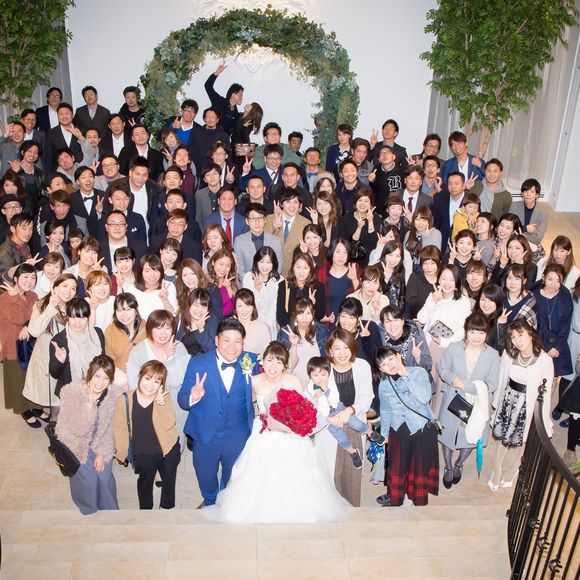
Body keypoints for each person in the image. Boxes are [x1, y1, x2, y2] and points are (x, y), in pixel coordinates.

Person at [203, 340, 351, 523]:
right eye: (270, 360)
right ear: (262, 361)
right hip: (263, 432)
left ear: (285, 365)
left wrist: (296, 425)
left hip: (291, 435)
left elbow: (306, 410)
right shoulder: (254, 381)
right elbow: (239, 404)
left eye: (279, 362)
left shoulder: (293, 381)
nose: (273, 366)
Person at [177, 318, 260, 507]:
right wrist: (193, 396)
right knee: (205, 474)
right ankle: (210, 500)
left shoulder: (250, 360)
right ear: (216, 340)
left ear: (243, 343)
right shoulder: (198, 363)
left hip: (238, 433)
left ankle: (225, 501)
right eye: (226, 340)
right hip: (206, 433)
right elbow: (182, 399)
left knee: (233, 476)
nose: (232, 347)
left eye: (237, 341)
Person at [489, 320, 554, 490]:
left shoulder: (544, 360)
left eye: (520, 335)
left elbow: (546, 393)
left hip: (529, 404)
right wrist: (496, 403)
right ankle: (497, 469)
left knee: (525, 440)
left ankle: (514, 469)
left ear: (530, 334)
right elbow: (502, 380)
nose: (517, 340)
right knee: (503, 436)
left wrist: (543, 418)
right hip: (509, 400)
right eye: (513, 337)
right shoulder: (509, 353)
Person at [438, 313, 500, 489]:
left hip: (477, 403)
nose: (476, 337)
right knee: (448, 435)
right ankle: (448, 466)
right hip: (453, 398)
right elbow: (443, 369)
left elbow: (492, 384)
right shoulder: (453, 348)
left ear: (486, 334)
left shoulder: (493, 355)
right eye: (473, 331)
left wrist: (465, 385)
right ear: (466, 331)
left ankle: (459, 463)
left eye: (481, 333)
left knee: (471, 436)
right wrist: (452, 379)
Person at [314, 328, 374, 506]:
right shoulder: (322, 368)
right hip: (330, 425)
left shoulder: (362, 366)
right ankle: (332, 504)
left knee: (352, 469)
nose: (342, 353)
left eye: (346, 347)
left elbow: (367, 396)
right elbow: (315, 397)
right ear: (330, 350)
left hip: (354, 420)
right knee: (330, 467)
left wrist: (350, 410)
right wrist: (332, 417)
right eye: (337, 348)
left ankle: (350, 503)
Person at [55, 354, 122, 515]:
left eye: (106, 378)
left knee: (104, 476)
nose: (100, 382)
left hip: (101, 442)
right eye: (97, 376)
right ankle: (88, 507)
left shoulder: (113, 395)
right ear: (90, 374)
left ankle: (110, 511)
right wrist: (90, 405)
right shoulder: (71, 392)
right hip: (76, 443)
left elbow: (111, 428)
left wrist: (102, 453)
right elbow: (79, 429)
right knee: (89, 480)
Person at [375, 347, 440, 507]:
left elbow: (425, 397)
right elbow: (385, 409)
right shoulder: (384, 384)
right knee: (398, 466)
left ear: (398, 356)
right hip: (398, 429)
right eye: (384, 364)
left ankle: (415, 499)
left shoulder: (418, 372)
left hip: (421, 428)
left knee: (418, 468)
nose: (389, 365)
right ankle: (398, 497)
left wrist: (406, 376)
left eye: (390, 359)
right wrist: (384, 434)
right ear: (381, 369)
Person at [113, 360, 180, 510]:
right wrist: (121, 452)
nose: (150, 385)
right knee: (145, 484)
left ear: (161, 384)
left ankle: (166, 508)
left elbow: (169, 424)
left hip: (168, 447)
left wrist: (162, 404)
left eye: (157, 381)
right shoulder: (124, 399)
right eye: (147, 379)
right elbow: (119, 427)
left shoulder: (163, 397)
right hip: (143, 452)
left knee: (169, 481)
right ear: (140, 377)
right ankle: (146, 511)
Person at [306, 356, 385, 469]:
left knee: (355, 423)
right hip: (326, 417)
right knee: (339, 436)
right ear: (310, 376)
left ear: (328, 374)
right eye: (316, 375)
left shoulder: (330, 383)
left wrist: (326, 389)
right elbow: (308, 406)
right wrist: (314, 399)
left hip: (339, 408)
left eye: (323, 375)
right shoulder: (309, 388)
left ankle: (370, 432)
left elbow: (335, 398)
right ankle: (353, 451)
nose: (320, 379)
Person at [23, 273, 77, 415]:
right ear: (55, 287)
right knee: (51, 396)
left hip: (67, 359)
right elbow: (34, 331)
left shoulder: (74, 307)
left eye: (73, 288)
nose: (69, 291)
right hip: (46, 358)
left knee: (62, 396)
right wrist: (51, 308)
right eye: (65, 286)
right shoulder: (41, 305)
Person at [0, 263, 43, 427]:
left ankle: (35, 406)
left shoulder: (33, 296)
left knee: (32, 377)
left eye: (33, 277)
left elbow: (36, 316)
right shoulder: (5, 298)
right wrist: (16, 298)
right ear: (16, 279)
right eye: (25, 277)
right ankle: (25, 410)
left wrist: (27, 325)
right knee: (19, 379)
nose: (29, 281)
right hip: (13, 345)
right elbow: (19, 318)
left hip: (30, 344)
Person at [49, 298, 105, 398]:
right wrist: (60, 362)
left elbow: (103, 362)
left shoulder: (97, 334)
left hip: (97, 388)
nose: (77, 322)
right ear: (67, 317)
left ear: (88, 317)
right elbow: (54, 373)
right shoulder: (59, 340)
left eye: (82, 317)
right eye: (73, 317)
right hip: (71, 392)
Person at [277, 298, 329, 387]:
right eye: (301, 313)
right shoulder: (285, 333)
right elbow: (289, 366)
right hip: (293, 384)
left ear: (313, 314)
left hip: (317, 384)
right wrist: (294, 344)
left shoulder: (322, 331)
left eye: (308, 313)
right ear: (295, 315)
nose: (304, 317)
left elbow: (327, 361)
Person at [533, 264, 573, 380]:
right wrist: (547, 347)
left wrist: (557, 347)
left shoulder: (565, 297)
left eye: (558, 281)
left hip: (557, 348)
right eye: (550, 279)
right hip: (538, 344)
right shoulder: (533, 296)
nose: (553, 284)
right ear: (543, 277)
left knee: (553, 382)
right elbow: (534, 326)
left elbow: (566, 326)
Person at [276, 252, 325, 327]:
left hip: (311, 329)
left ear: (310, 270)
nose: (301, 271)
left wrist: (314, 303)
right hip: (290, 328)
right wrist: (295, 329)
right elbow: (280, 316)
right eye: (298, 267)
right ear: (293, 268)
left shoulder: (317, 287)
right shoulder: (284, 285)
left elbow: (320, 315)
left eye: (305, 268)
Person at [242, 246, 280, 335]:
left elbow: (274, 308)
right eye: (262, 262)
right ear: (256, 262)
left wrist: (267, 328)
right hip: (251, 324)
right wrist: (258, 290)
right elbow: (248, 304)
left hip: (271, 326)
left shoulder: (279, 281)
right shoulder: (248, 278)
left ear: (273, 263)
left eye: (268, 262)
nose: (265, 266)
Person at [104, 292, 146, 373]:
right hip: (119, 376)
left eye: (128, 309)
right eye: (119, 310)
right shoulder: (110, 330)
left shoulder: (147, 328)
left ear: (136, 310)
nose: (124, 314)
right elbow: (109, 359)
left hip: (143, 375)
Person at [125, 254, 178, 319]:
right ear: (141, 272)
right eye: (147, 271)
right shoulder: (132, 290)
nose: (152, 275)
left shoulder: (168, 286)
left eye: (156, 270)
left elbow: (173, 315)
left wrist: (165, 300)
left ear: (161, 271)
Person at [176, 287, 217, 355]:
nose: (199, 310)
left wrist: (201, 330)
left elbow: (212, 350)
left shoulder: (212, 320)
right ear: (189, 304)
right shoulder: (179, 319)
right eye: (196, 305)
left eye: (204, 307)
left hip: (203, 359)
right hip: (182, 359)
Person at [204, 63, 243, 135]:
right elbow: (208, 86)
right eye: (240, 95)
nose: (242, 98)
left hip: (220, 141)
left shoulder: (236, 115)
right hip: (206, 135)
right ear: (233, 94)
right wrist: (216, 73)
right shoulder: (219, 101)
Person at [510, 178, 548, 250]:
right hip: (514, 243)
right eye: (526, 191)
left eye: (532, 192)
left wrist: (521, 235)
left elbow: (538, 238)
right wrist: (526, 228)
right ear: (522, 193)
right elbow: (508, 228)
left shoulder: (543, 213)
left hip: (531, 245)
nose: (528, 194)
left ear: (537, 195)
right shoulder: (514, 206)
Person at [405, 245, 441, 319]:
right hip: (417, 320)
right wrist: (432, 299)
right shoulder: (415, 277)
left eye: (432, 263)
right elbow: (410, 303)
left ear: (439, 263)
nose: (429, 267)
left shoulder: (443, 279)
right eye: (425, 263)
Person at [233, 288, 271, 355]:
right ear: (235, 307)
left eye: (247, 306)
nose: (244, 310)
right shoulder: (229, 326)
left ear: (253, 307)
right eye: (240, 306)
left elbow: (267, 354)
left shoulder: (262, 328)